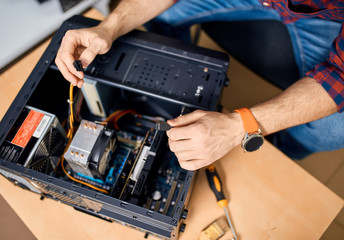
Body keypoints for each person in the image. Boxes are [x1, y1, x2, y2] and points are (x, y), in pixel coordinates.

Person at [55, 0, 344, 170]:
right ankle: (185, 85)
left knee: (334, 129)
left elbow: (339, 77)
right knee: (163, 15)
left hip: (329, 16)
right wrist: (109, 27)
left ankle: (275, 149)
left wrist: (240, 126)